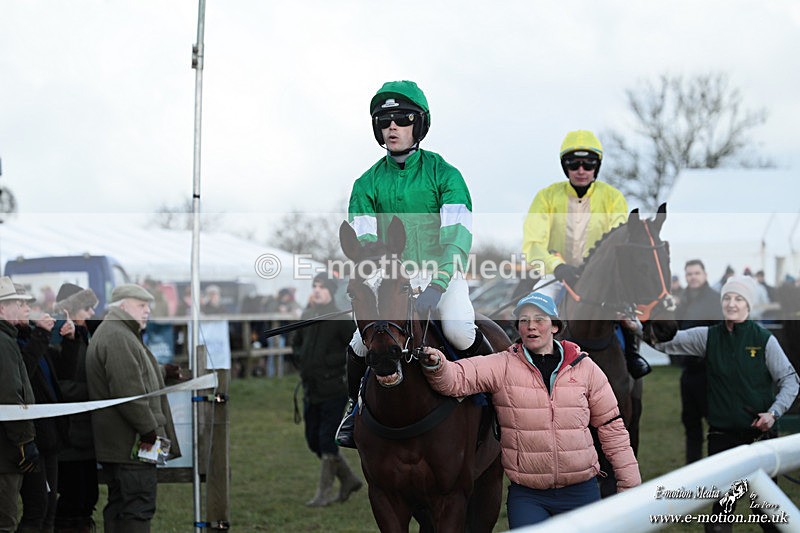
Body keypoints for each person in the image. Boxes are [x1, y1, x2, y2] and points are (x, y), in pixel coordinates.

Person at [336, 80, 484, 448]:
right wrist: (381, 279)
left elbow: (457, 236)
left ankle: (493, 406)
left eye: (402, 119)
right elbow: (365, 242)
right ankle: (353, 409)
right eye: (384, 121)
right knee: (359, 344)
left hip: (442, 273)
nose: (392, 127)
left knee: (460, 333)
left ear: (419, 125)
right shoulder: (365, 183)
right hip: (391, 279)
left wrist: (438, 283)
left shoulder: (445, 175)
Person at [417, 292, 641, 528]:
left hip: (582, 492)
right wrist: (437, 365)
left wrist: (630, 483)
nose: (531, 326)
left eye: (539, 320)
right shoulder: (501, 365)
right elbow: (457, 378)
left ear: (555, 326)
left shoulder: (585, 367)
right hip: (529, 497)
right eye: (524, 320)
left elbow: (611, 427)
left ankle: (633, 353)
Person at [653, 276, 799, 532]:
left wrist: (773, 413)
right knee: (721, 513)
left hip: (759, 437)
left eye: (739, 299)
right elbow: (665, 342)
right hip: (722, 438)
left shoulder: (764, 339)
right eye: (727, 298)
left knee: (766, 512)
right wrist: (636, 326)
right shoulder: (708, 336)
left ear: (748, 304)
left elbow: (790, 380)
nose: (732, 303)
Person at [521, 129, 651, 380]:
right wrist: (557, 266)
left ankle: (632, 355)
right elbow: (533, 243)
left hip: (601, 278)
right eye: (574, 164)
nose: (581, 170)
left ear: (596, 167)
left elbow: (618, 244)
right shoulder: (546, 196)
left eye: (588, 164)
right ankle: (527, 368)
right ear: (565, 167)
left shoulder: (613, 197)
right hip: (558, 275)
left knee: (627, 313)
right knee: (533, 311)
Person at [86, 284, 183, 532]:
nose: (147, 310)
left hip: (123, 445)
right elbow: (128, 392)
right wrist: (149, 431)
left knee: (122, 507)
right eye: (141, 305)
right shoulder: (118, 336)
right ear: (123, 306)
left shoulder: (118, 332)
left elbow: (133, 373)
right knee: (137, 508)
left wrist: (162, 371)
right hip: (132, 445)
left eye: (147, 305)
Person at [292, 273, 361, 507]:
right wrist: (302, 359)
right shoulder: (307, 315)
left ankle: (324, 493)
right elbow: (296, 344)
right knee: (313, 440)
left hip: (334, 388)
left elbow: (355, 347)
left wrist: (330, 362)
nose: (317, 290)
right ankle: (349, 479)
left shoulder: (341, 318)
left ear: (331, 291)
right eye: (315, 286)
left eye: (322, 286)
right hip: (310, 388)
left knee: (326, 439)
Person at [13, 284, 70, 533]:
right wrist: (41, 335)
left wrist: (71, 340)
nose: (28, 308)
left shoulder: (31, 337)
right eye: (22, 304)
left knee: (49, 507)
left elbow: (63, 373)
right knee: (36, 508)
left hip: (48, 436)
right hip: (28, 437)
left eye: (29, 303)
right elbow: (22, 373)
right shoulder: (13, 341)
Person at [51, 283, 100, 533]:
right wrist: (95, 392)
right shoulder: (56, 339)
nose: (92, 313)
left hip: (85, 435)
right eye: (87, 308)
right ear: (69, 309)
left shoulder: (84, 336)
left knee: (88, 497)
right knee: (72, 498)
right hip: (67, 437)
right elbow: (57, 387)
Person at [673, 260, 723, 464]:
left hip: (709, 373)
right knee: (690, 424)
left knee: (716, 425)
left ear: (705, 274)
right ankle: (693, 470)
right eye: (689, 274)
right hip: (688, 372)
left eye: (696, 273)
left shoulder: (715, 300)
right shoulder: (683, 300)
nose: (693, 277)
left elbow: (721, 333)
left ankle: (718, 469)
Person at [0, 277, 38, 533]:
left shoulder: (7, 339)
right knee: (5, 523)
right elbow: (10, 395)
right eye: (16, 302)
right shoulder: (3, 343)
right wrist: (25, 442)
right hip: (5, 452)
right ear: (2, 308)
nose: (22, 307)